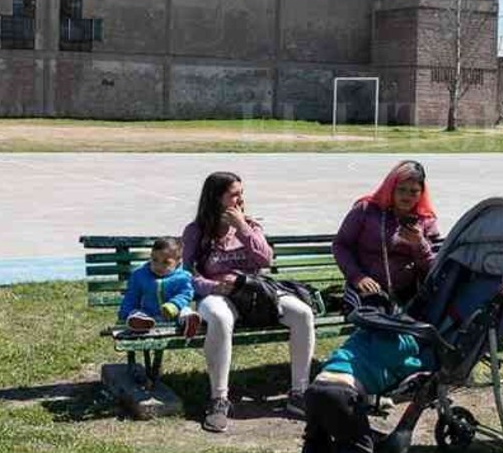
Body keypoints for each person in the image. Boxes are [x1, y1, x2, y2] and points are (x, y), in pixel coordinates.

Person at [182, 171, 316, 433]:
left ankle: (299, 393)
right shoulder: (196, 231)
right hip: (217, 295)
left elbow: (265, 260)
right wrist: (213, 286)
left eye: (242, 194)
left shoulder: (250, 226)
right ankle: (219, 399)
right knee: (219, 317)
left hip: (255, 292)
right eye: (234, 195)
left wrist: (242, 228)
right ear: (215, 198)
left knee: (302, 314)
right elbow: (186, 273)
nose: (240, 199)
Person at [300, 328, 437, 453]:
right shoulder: (397, 348)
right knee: (359, 445)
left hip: (315, 389)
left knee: (315, 442)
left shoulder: (361, 334)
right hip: (342, 393)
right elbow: (416, 365)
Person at [333, 161, 442, 312]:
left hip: (408, 293)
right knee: (377, 322)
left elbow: (432, 268)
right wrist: (357, 277)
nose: (407, 196)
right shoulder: (366, 210)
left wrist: (419, 244)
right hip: (367, 290)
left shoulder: (425, 220)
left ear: (421, 193)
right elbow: (341, 246)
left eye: (413, 191)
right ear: (391, 188)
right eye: (401, 189)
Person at [118, 237, 203, 337]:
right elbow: (131, 296)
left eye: (166, 262)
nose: (158, 266)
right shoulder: (140, 275)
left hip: (175, 314)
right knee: (137, 313)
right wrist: (126, 313)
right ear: (150, 256)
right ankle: (139, 324)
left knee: (185, 311)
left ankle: (189, 322)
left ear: (178, 262)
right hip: (148, 314)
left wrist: (174, 305)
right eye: (155, 260)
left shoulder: (183, 277)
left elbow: (185, 294)